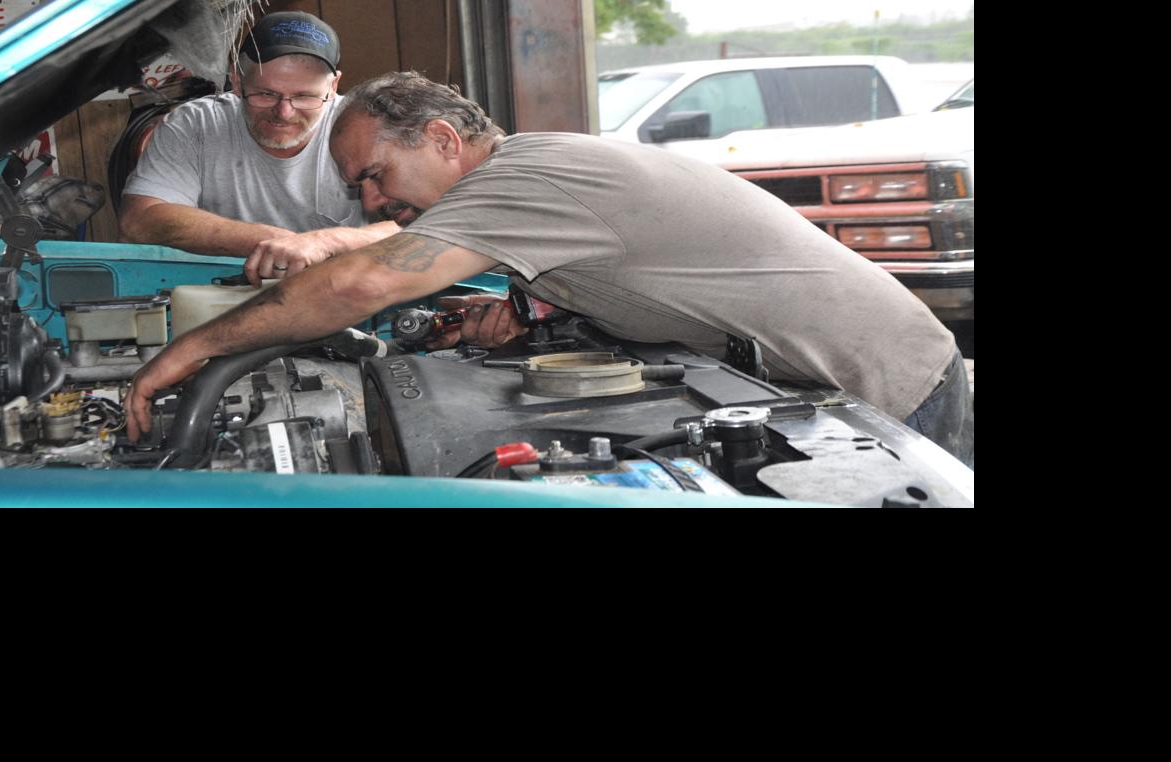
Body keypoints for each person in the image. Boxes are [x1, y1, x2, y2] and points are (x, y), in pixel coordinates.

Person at [125, 71, 973, 468]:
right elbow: (618, 263)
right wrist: (532, 313)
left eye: (374, 178)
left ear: (444, 141)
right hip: (830, 377)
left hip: (884, 388)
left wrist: (199, 349)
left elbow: (362, 282)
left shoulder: (522, 178)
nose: (373, 205)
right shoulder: (531, 174)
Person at [117, 11, 399, 285]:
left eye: (304, 96)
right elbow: (140, 219)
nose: (284, 113)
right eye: (266, 94)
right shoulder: (196, 125)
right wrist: (276, 242)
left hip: (349, 290)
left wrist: (323, 242)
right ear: (237, 81)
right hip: (229, 290)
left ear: (334, 85)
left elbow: (425, 222)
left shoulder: (368, 128)